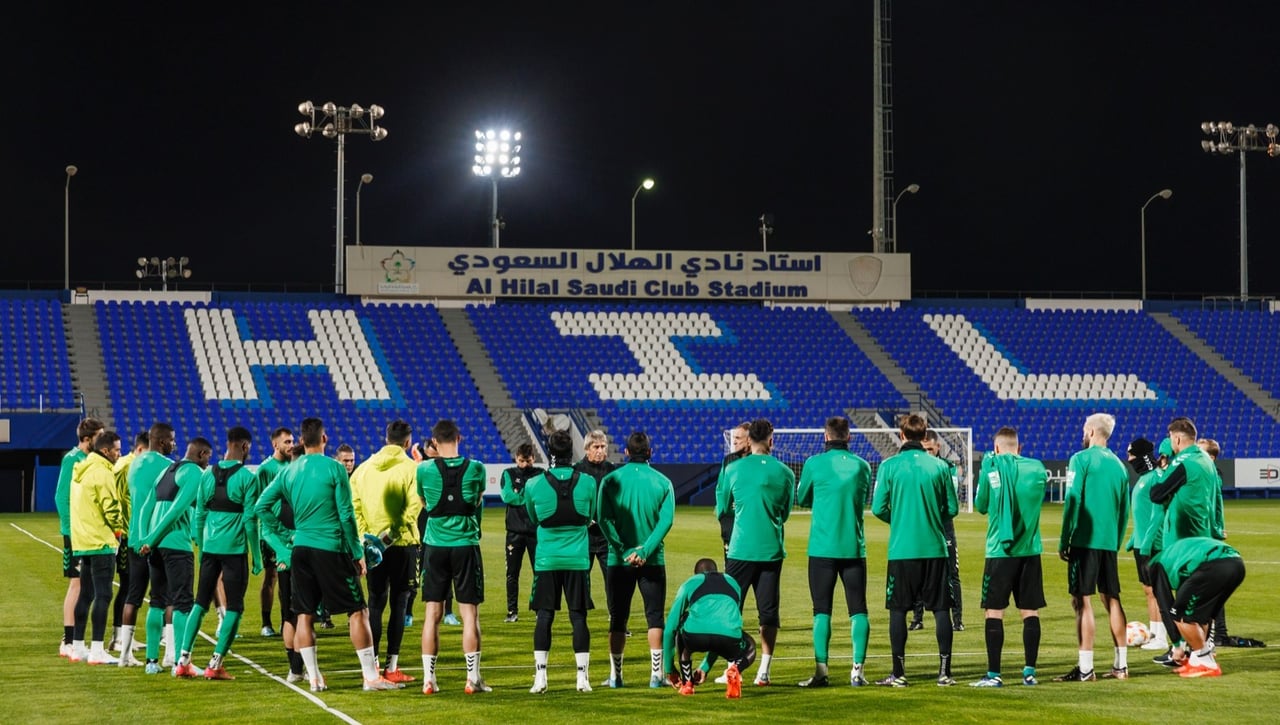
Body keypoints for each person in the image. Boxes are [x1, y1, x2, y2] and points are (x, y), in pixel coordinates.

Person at [255, 417, 401, 692]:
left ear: (300, 441)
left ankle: (314, 678)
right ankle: (371, 677)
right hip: (331, 549)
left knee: (304, 615)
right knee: (358, 611)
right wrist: (357, 553)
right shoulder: (335, 468)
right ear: (324, 439)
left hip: (301, 550)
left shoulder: (289, 471)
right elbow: (346, 515)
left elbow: (262, 506)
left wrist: (287, 535)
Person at [871, 413, 959, 687]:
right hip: (934, 548)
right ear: (925, 437)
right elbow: (952, 509)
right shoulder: (939, 467)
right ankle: (944, 672)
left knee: (898, 610)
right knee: (941, 609)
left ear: (901, 435)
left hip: (902, 550)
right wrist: (932, 517)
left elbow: (877, 508)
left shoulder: (889, 466)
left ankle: (898, 673)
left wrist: (897, 520)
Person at [174, 426, 262, 680]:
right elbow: (249, 521)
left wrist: (201, 547)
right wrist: (255, 556)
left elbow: (199, 515)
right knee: (235, 607)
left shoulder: (207, 475)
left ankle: (183, 660)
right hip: (234, 552)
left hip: (210, 549)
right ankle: (215, 664)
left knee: (200, 603)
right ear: (245, 447)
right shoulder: (248, 478)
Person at [795, 416, 873, 688]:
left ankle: (821, 672)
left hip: (822, 548)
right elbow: (863, 498)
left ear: (826, 436)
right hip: (853, 547)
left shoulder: (814, 464)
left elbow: (802, 498)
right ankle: (857, 671)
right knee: (858, 609)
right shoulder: (863, 467)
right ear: (848, 437)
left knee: (821, 611)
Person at [969, 426, 1048, 687]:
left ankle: (994, 674)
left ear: (996, 449)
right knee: (1030, 611)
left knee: (994, 612)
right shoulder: (1037, 468)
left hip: (999, 551)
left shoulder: (992, 469)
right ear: (1020, 447)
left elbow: (981, 506)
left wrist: (991, 473)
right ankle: (1030, 672)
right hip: (1030, 550)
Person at [1054, 413, 1130, 682]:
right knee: (1112, 599)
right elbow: (1124, 511)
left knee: (1082, 601)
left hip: (1085, 541)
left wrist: (1065, 540)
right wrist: (1115, 541)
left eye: (1084, 428)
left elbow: (1073, 499)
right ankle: (1121, 666)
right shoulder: (1120, 466)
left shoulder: (1081, 459)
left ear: (1091, 430)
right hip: (1108, 542)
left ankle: (1085, 668)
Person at [416, 419, 490, 695]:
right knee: (469, 614)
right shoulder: (477, 468)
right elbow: (477, 499)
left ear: (434, 442)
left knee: (431, 614)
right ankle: (472, 679)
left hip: (435, 546)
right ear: (459, 437)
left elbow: (425, 503)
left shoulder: (423, 469)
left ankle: (429, 680)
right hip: (465, 545)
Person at [597, 431, 676, 689]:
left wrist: (623, 551)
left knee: (618, 618)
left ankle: (616, 676)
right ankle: (656, 676)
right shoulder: (663, 482)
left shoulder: (610, 480)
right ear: (650, 453)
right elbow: (666, 521)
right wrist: (645, 551)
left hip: (619, 562)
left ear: (627, 453)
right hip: (652, 562)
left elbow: (604, 519)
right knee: (654, 617)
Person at [719, 418, 794, 686]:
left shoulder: (733, 469)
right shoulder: (786, 472)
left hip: (739, 549)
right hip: (771, 550)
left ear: (748, 440)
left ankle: (732, 666)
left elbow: (724, 506)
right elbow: (784, 513)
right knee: (768, 612)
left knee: (731, 609)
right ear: (771, 440)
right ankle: (764, 670)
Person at [525, 429, 598, 694]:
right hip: (577, 560)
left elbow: (533, 518)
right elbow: (591, 514)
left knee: (544, 617)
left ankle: (541, 678)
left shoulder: (534, 484)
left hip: (546, 561)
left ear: (549, 452)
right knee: (578, 618)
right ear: (573, 453)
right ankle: (582, 679)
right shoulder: (588, 482)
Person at [351, 419, 423, 685]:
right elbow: (414, 507)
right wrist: (390, 535)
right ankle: (392, 667)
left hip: (372, 548)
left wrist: (366, 539)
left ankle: (372, 668)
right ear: (407, 442)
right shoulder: (413, 469)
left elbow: (354, 507)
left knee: (375, 604)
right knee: (399, 604)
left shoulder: (363, 469)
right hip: (402, 545)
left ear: (385, 438)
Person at [137, 437, 213, 673]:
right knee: (182, 604)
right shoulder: (194, 474)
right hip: (177, 545)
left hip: (156, 546)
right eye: (208, 456)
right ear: (201, 454)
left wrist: (145, 538)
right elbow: (177, 509)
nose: (209, 461)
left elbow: (145, 507)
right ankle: (182, 663)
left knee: (157, 602)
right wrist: (151, 538)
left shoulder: (166, 471)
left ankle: (151, 662)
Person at [1147, 416, 1218, 666]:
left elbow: (1156, 494)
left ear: (1176, 438)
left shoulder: (1184, 462)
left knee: (1162, 588)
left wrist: (1161, 469)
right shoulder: (1207, 462)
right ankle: (1202, 649)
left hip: (1182, 542)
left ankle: (1178, 649)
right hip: (1204, 537)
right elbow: (1215, 499)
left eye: (1170, 439)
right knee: (1196, 598)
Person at [118, 423, 176, 673]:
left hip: (134, 538)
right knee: (165, 597)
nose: (174, 444)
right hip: (157, 539)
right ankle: (170, 654)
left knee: (133, 595)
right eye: (172, 440)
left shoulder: (134, 464)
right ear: (162, 442)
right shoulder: (167, 467)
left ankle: (124, 653)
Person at [1196, 438, 1264, 648]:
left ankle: (1214, 634)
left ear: (1212, 457)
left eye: (1200, 451)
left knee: (1208, 585)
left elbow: (1213, 506)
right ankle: (1215, 633)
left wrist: (1216, 528)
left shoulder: (1210, 475)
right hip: (1207, 535)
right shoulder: (1208, 473)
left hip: (1206, 537)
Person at [1148, 536, 1247, 677]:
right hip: (1237, 563)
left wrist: (1177, 646)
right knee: (1201, 616)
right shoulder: (1176, 557)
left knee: (1179, 614)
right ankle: (1196, 661)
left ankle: (1207, 663)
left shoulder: (1156, 565)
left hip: (1214, 565)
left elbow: (1166, 607)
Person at [663, 558, 757, 698]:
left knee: (682, 623)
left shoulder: (690, 583)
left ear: (696, 574)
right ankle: (735, 670)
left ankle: (687, 683)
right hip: (729, 638)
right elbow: (721, 624)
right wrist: (705, 668)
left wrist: (670, 670)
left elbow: (670, 629)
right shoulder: (733, 583)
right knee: (751, 645)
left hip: (695, 637)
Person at [69, 430, 125, 665]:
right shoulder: (103, 472)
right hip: (101, 541)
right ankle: (98, 650)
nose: (119, 454)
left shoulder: (80, 470)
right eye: (117, 450)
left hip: (82, 541)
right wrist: (119, 529)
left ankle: (78, 646)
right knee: (103, 594)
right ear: (105, 451)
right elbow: (110, 507)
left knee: (86, 593)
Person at [55, 417, 104, 658]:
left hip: (90, 534)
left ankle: (79, 638)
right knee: (77, 584)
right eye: (99, 436)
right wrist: (71, 530)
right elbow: (61, 498)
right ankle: (67, 639)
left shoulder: (92, 460)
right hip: (76, 534)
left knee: (90, 586)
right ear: (88, 439)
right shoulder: (72, 460)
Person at [1124, 437, 1173, 653]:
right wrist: (1134, 538)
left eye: (1131, 454)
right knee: (1148, 590)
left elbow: (1157, 515)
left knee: (1156, 591)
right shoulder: (1144, 477)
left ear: (1142, 455)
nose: (1129, 459)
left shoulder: (1155, 478)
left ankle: (1161, 637)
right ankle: (1154, 634)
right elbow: (1141, 515)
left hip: (1153, 545)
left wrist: (1146, 543)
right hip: (1143, 543)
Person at [911, 429, 964, 632]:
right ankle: (917, 618)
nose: (927, 453)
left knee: (952, 573)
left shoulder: (948, 468)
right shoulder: (919, 468)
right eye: (924, 450)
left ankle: (957, 620)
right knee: (918, 573)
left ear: (938, 447)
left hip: (944, 527)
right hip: (923, 527)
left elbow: (950, 501)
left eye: (930, 449)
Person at [106, 430, 148, 661]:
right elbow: (116, 498)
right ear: (141, 450)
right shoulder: (125, 467)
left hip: (134, 532)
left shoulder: (133, 465)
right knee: (128, 585)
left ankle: (122, 635)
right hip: (127, 535)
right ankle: (118, 637)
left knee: (132, 585)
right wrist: (120, 530)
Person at [575, 430, 616, 627]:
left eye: (603, 447)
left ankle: (616, 620)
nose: (600, 451)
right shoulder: (577, 470)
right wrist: (582, 516)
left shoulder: (612, 470)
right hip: (583, 537)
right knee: (581, 580)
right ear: (587, 449)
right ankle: (580, 621)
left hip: (607, 536)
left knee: (613, 580)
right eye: (596, 447)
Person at [255, 426, 293, 638]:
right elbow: (258, 504)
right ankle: (266, 622)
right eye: (286, 442)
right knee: (272, 576)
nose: (291, 445)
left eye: (292, 441)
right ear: (275, 444)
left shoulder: (294, 466)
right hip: (271, 532)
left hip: (290, 531)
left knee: (289, 576)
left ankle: (286, 620)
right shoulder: (265, 469)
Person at [500, 443, 543, 623]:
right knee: (512, 573)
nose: (524, 464)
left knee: (539, 572)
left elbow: (542, 497)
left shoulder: (540, 473)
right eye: (521, 460)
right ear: (516, 458)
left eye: (528, 460)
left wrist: (523, 497)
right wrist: (527, 498)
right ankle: (512, 611)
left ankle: (538, 608)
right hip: (514, 533)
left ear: (533, 458)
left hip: (535, 532)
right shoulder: (508, 473)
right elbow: (507, 496)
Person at [714, 422, 751, 563]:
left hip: (749, 519)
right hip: (729, 519)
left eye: (738, 438)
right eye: (733, 437)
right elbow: (720, 488)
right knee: (730, 565)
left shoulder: (755, 461)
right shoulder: (728, 460)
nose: (734, 441)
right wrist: (721, 513)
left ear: (749, 440)